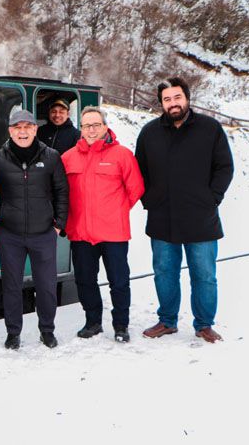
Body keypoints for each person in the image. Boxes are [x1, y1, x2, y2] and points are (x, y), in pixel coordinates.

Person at [135, 77, 234, 343]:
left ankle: (204, 324)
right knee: (164, 272)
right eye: (167, 99)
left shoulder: (209, 129)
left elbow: (224, 167)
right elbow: (138, 172)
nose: (173, 103)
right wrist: (150, 200)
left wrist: (211, 198)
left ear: (187, 98)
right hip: (161, 216)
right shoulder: (149, 132)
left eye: (177, 97)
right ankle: (167, 320)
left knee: (204, 274)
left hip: (200, 217)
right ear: (161, 103)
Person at [62, 106, 144, 343]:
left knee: (119, 281)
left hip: (113, 233)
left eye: (96, 125)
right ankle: (93, 322)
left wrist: (116, 211)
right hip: (81, 233)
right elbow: (61, 193)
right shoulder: (68, 157)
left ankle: (121, 325)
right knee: (85, 280)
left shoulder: (122, 155)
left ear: (105, 127)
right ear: (81, 129)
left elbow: (136, 188)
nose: (91, 129)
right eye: (86, 125)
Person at [0, 109, 69, 350]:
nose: (22, 132)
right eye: (17, 127)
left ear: (35, 129)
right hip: (9, 234)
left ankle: (47, 330)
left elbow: (62, 191)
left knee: (46, 285)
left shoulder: (52, 156)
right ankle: (13, 333)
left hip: (44, 232)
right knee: (11, 285)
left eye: (27, 127)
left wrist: (58, 224)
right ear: (10, 131)